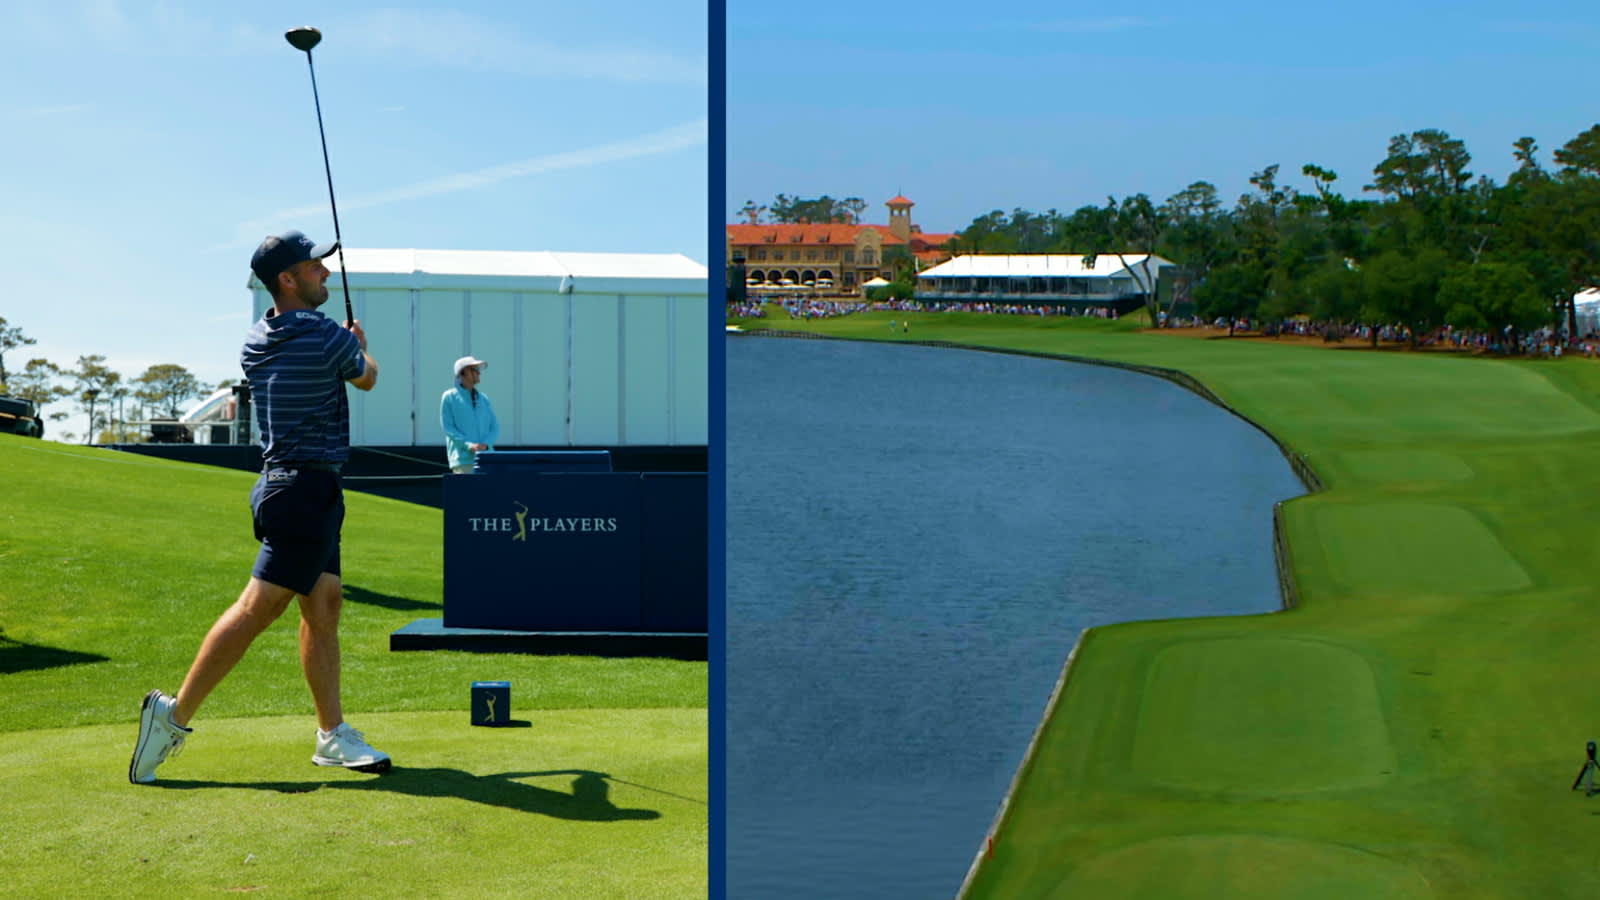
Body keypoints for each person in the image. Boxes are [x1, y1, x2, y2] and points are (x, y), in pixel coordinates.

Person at [129, 230, 389, 784]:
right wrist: (359, 345)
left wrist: (342, 345)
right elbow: (367, 377)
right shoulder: (324, 335)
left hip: (292, 487)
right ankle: (173, 715)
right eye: (314, 267)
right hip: (303, 492)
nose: (325, 272)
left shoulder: (256, 338)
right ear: (287, 280)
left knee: (324, 604)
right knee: (258, 608)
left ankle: (331, 734)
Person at [441, 355, 499, 474]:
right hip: (463, 461)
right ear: (462, 373)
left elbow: (495, 427)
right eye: (474, 369)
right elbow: (449, 428)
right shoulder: (449, 397)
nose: (479, 373)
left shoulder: (484, 399)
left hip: (487, 459)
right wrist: (469, 445)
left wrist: (486, 445)